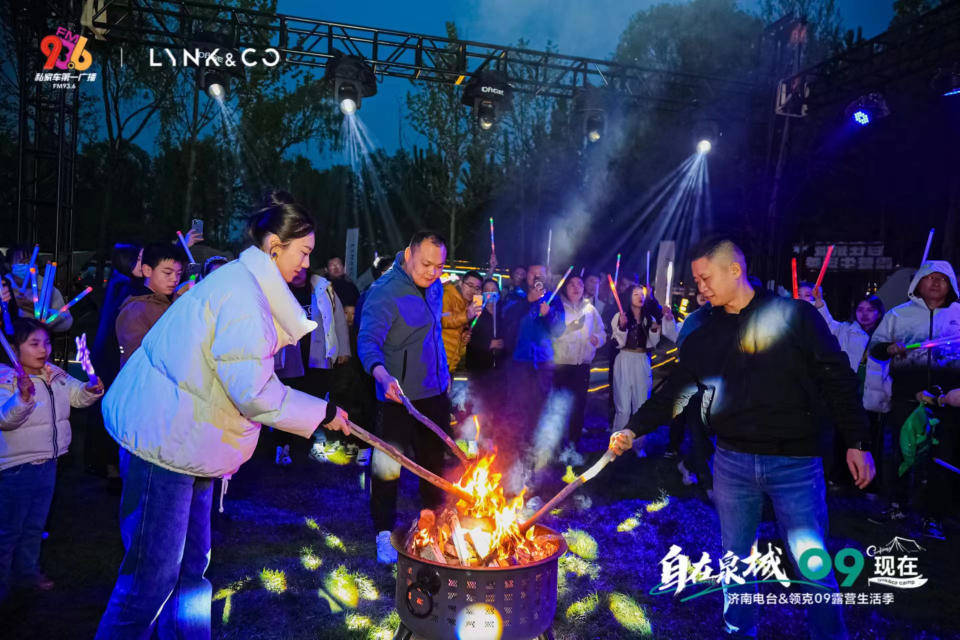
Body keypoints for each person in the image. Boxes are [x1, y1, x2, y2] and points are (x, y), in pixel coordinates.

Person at [95, 193, 351, 638]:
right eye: (303, 252)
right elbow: (253, 391)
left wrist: (321, 411)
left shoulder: (249, 288)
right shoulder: (242, 296)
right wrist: (321, 411)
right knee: (150, 580)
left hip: (194, 443)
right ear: (275, 246)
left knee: (192, 571)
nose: (307, 263)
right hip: (165, 440)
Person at [614, 237, 874, 640]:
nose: (700, 288)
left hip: (795, 463)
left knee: (811, 563)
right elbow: (677, 390)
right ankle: (739, 631)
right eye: (697, 280)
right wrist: (633, 428)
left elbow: (837, 377)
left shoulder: (795, 315)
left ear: (735, 270)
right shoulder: (705, 332)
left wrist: (856, 441)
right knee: (736, 562)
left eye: (705, 278)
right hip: (732, 463)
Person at [357, 231, 451, 565]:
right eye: (426, 264)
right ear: (408, 255)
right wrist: (383, 376)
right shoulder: (384, 292)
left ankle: (432, 521)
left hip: (434, 392)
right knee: (388, 466)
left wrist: (444, 375)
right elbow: (367, 341)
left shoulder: (435, 287)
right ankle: (384, 532)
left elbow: (433, 333)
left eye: (439, 266)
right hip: (397, 396)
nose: (432, 272)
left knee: (433, 463)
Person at [0, 318, 103, 602]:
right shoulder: (6, 379)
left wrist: (90, 389)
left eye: (46, 342)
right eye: (34, 343)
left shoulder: (54, 373)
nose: (43, 349)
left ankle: (27, 574)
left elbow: (76, 396)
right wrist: (22, 399)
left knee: (35, 526)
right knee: (9, 530)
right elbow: (5, 420)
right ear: (14, 349)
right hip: (16, 468)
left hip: (48, 463)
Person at [866, 260, 960, 539]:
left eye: (942, 278)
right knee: (900, 454)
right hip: (906, 400)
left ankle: (934, 516)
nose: (935, 283)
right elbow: (875, 349)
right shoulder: (898, 315)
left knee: (942, 458)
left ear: (951, 285)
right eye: (929, 277)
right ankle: (896, 506)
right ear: (918, 282)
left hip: (948, 402)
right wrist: (889, 348)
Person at [498, 263, 565, 493]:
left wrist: (548, 314)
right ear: (526, 276)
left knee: (539, 413)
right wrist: (528, 301)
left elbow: (559, 329)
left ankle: (532, 468)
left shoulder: (554, 299)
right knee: (516, 413)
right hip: (518, 363)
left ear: (547, 277)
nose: (537, 277)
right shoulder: (515, 298)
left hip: (543, 364)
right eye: (533, 273)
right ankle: (511, 465)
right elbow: (506, 320)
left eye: (541, 274)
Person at [86, 243, 142, 485]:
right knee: (109, 409)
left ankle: (105, 463)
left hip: (108, 353)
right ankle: (110, 466)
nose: (145, 263)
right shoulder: (125, 285)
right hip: (112, 356)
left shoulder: (119, 282)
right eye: (140, 259)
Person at [610, 285, 677, 449]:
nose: (640, 297)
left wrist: (654, 331)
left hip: (642, 360)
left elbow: (652, 344)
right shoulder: (620, 316)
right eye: (635, 294)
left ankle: (638, 446)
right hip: (624, 359)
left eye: (642, 294)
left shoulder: (649, 318)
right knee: (623, 408)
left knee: (641, 404)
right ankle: (616, 445)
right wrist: (622, 326)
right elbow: (617, 342)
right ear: (629, 297)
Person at [552, 275, 605, 458]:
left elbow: (601, 331)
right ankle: (557, 445)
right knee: (559, 406)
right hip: (561, 365)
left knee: (578, 406)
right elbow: (551, 332)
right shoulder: (557, 307)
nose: (576, 288)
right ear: (565, 287)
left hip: (582, 366)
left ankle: (573, 444)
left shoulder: (590, 309)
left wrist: (597, 340)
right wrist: (571, 329)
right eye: (572, 284)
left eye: (580, 284)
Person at [115, 243, 186, 367]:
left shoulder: (180, 301)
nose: (175, 279)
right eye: (167, 273)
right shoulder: (135, 311)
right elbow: (136, 359)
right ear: (147, 270)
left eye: (179, 273)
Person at [3, 245, 73, 333]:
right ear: (9, 265)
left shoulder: (47, 289)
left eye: (32, 262)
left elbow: (66, 323)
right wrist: (11, 305)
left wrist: (35, 310)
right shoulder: (3, 287)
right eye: (23, 262)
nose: (29, 266)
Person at [441, 271, 483, 372]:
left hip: (450, 362)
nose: (472, 290)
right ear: (461, 283)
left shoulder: (466, 303)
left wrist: (463, 338)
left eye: (477, 288)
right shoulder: (447, 295)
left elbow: (456, 334)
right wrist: (466, 315)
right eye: (470, 285)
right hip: (438, 359)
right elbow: (444, 320)